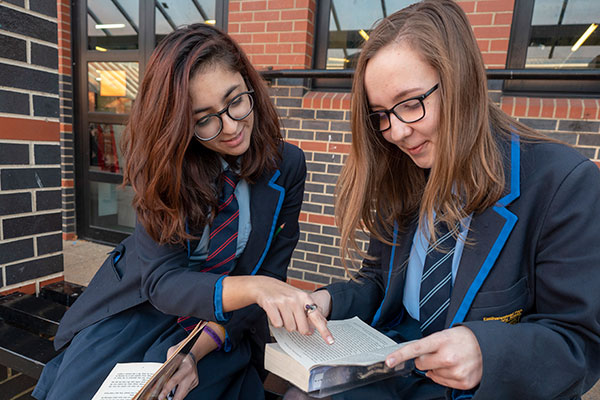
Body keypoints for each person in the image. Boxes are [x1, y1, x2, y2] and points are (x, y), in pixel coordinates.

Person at [274, 1, 600, 399]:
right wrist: (326, 300)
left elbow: (579, 343)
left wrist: (486, 352)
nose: (395, 132)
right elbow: (379, 283)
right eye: (381, 114)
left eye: (411, 104)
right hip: (393, 367)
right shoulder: (405, 172)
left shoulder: (562, 183)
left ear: (461, 80)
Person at [32, 23, 308, 400]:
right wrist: (256, 287)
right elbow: (162, 281)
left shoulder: (287, 165)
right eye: (204, 119)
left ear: (248, 83)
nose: (229, 128)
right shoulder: (163, 163)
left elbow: (270, 274)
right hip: (141, 308)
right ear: (179, 123)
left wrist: (196, 349)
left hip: (222, 322)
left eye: (235, 102)